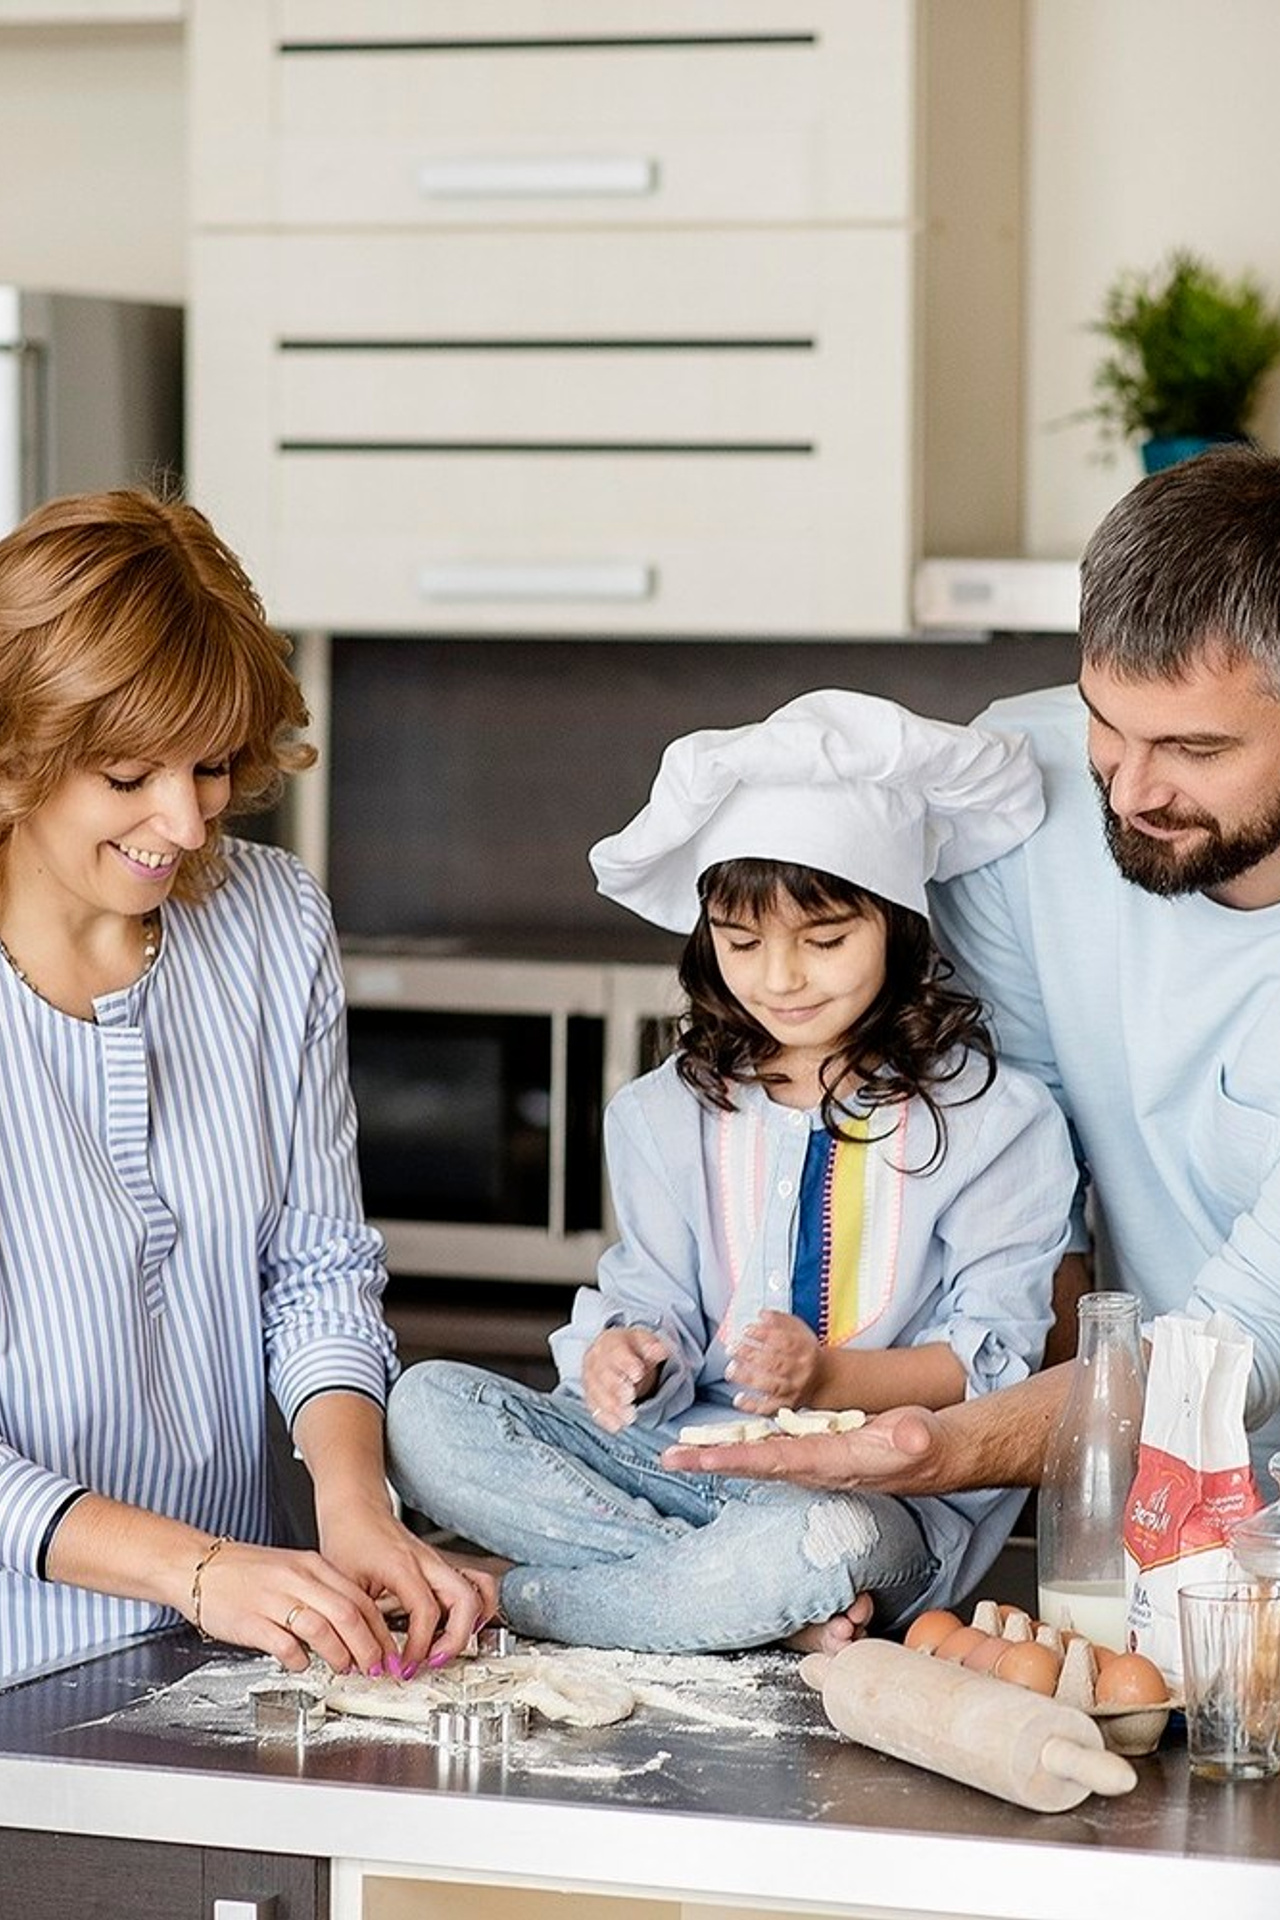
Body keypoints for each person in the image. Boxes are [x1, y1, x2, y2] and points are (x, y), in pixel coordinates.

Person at [386, 691, 1076, 1653]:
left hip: (865, 1500)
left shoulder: (998, 1126)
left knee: (813, 1540)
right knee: (422, 1411)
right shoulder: (666, 1112)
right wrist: (629, 1353)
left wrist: (831, 1375)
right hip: (671, 1463)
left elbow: (989, 1365)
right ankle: (739, 1606)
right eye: (742, 942)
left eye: (825, 940)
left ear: (900, 927)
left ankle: (530, 1598)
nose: (781, 979)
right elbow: (654, 1301)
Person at [666, 443, 1280, 1523]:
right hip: (1100, 1467)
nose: (1129, 789)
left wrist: (941, 1448)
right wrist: (1013, 1469)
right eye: (1106, 719)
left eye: (1190, 746)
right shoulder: (1023, 785)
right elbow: (1026, 1145)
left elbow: (1245, 1334)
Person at [0, 487, 496, 1685]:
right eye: (128, 776)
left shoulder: (269, 921)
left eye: (211, 765)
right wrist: (197, 1567)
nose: (181, 821)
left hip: (231, 1652)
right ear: (17, 750)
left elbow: (317, 1267)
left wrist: (351, 1502)